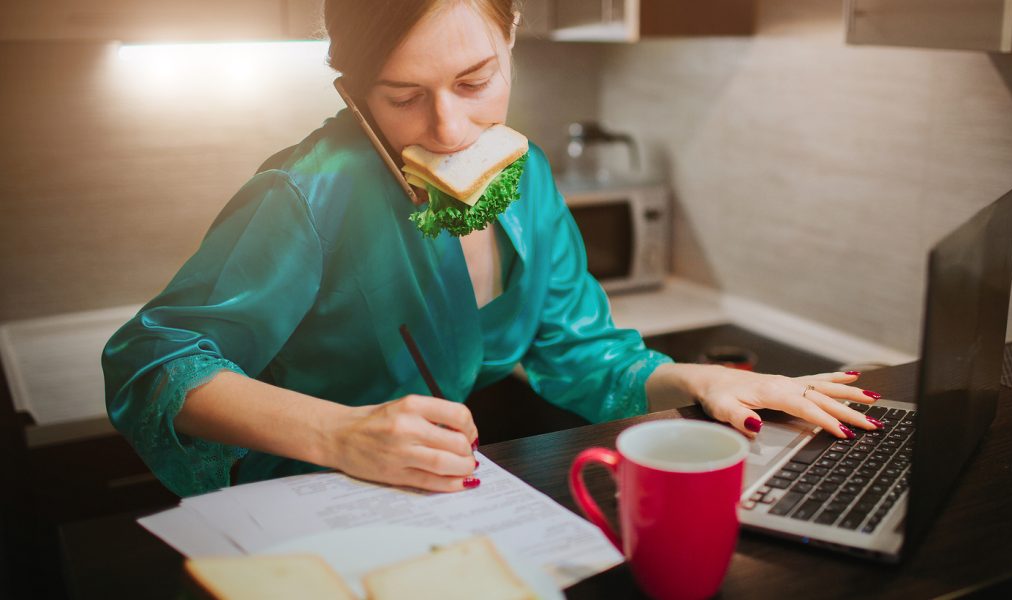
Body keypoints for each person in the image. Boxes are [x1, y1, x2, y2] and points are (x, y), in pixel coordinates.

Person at [102, 0, 884, 499]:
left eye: (476, 81)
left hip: (428, 504)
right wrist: (337, 433)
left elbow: (584, 357)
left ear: (512, 37)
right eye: (402, 98)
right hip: (296, 516)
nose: (448, 130)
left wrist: (702, 379)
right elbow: (152, 364)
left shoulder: (528, 175)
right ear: (353, 92)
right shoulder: (306, 193)